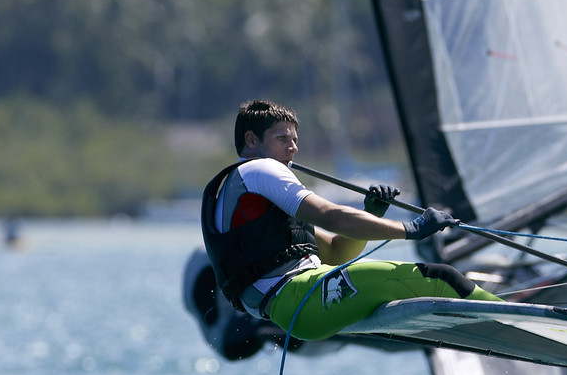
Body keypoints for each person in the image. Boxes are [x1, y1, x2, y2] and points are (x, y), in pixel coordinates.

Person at [200, 99, 498, 341]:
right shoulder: (259, 169)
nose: (293, 148)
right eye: (281, 138)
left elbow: (338, 252)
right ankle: (509, 316)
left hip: (300, 306)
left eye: (295, 139)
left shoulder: (252, 197)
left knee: (429, 283)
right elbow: (332, 216)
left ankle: (497, 323)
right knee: (442, 277)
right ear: (251, 140)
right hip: (300, 297)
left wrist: (372, 213)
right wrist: (413, 229)